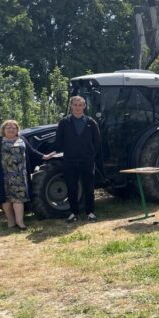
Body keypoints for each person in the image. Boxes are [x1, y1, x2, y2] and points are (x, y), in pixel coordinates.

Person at [0, 120, 53, 230]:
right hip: (3, 176)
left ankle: (20, 222)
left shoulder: (22, 140)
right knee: (6, 200)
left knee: (19, 199)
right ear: (3, 129)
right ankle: (11, 222)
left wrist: (45, 156)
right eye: (8, 127)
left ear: (17, 129)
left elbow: (32, 152)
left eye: (14, 128)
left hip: (20, 175)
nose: (11, 129)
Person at [53, 95, 102, 223]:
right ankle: (74, 213)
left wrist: (91, 154)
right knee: (71, 187)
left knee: (88, 187)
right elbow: (59, 141)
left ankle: (90, 212)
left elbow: (97, 141)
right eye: (75, 105)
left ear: (84, 106)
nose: (78, 108)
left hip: (87, 160)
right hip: (69, 160)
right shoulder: (64, 122)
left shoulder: (91, 122)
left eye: (80, 105)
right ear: (71, 106)